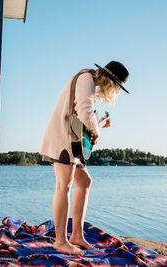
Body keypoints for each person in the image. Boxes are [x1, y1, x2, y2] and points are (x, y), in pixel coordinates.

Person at [39, 61, 130, 255]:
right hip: (63, 139)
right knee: (63, 186)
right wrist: (95, 130)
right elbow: (84, 110)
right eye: (116, 86)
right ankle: (61, 241)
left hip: (71, 140)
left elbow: (81, 117)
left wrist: (98, 124)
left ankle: (77, 235)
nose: (114, 91)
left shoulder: (87, 80)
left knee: (85, 181)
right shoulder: (86, 79)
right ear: (110, 80)